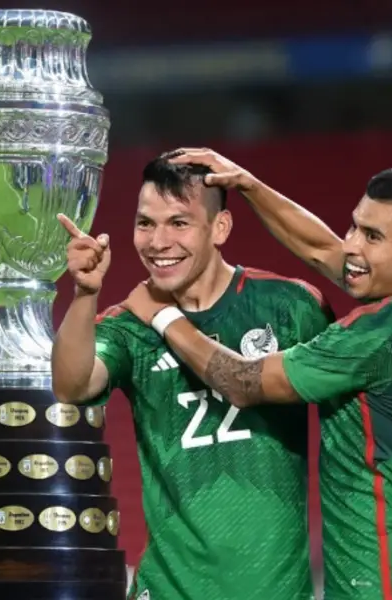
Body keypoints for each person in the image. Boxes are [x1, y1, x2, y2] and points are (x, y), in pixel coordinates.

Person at [119, 148, 392, 600]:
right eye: (354, 227)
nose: (353, 247)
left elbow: (243, 382)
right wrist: (248, 184)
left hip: (383, 583)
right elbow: (323, 249)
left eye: (374, 237)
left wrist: (162, 317)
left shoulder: (373, 337)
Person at [52, 155, 334, 600]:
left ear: (219, 228)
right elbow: (71, 385)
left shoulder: (292, 308)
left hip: (276, 588)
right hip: (168, 589)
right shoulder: (127, 326)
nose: (158, 241)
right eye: (145, 223)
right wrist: (85, 293)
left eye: (179, 223)